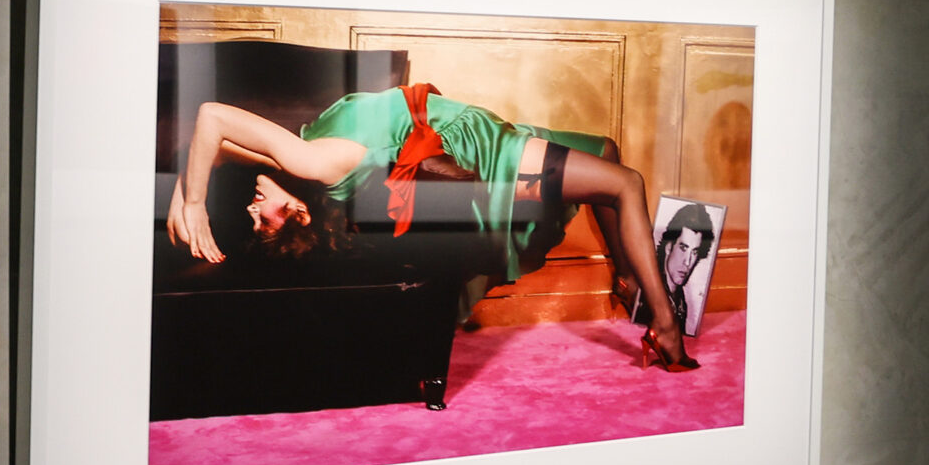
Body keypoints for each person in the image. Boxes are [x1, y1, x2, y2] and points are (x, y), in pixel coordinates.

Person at [165, 82, 699, 371]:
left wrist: (183, 203)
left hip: (462, 127)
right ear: (298, 214)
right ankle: (665, 325)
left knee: (604, 150)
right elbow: (212, 115)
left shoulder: (293, 166)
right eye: (260, 220)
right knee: (624, 183)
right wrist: (194, 204)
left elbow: (215, 146)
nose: (251, 208)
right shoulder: (309, 163)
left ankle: (629, 278)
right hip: (480, 151)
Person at [651, 201, 718, 337]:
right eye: (683, 248)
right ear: (669, 247)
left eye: (694, 252)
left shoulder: (680, 300)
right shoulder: (651, 294)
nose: (687, 262)